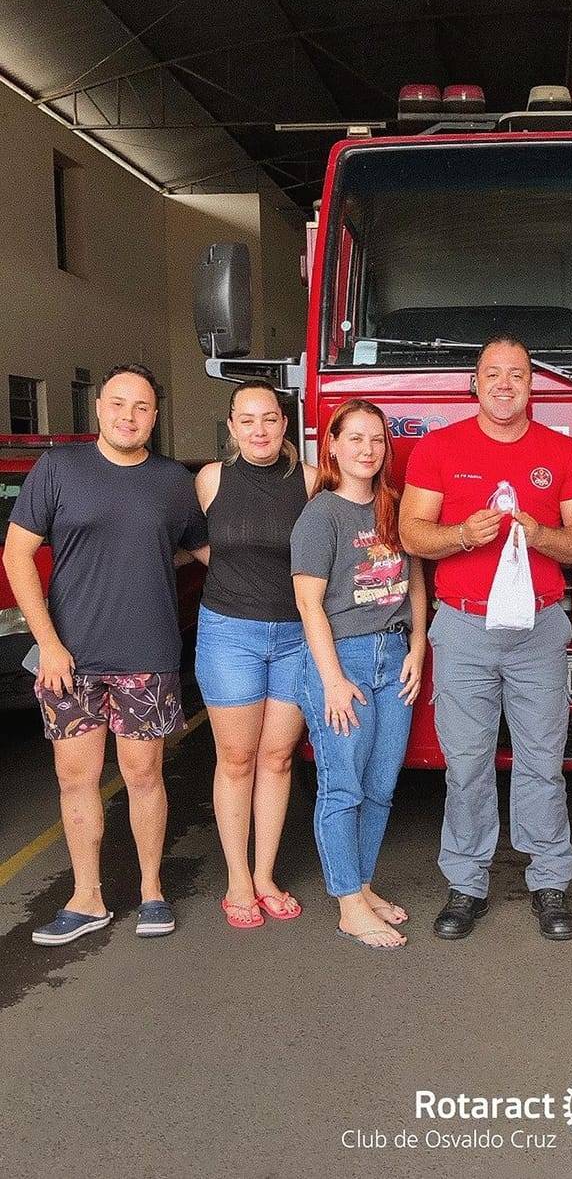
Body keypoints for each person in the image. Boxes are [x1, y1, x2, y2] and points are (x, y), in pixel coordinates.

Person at [399, 335, 572, 942]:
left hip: (539, 626)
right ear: (475, 384)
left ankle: (548, 881)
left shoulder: (562, 453)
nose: (505, 384)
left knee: (543, 760)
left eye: (518, 373)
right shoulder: (440, 448)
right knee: (466, 764)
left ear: (531, 384)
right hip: (462, 625)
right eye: (494, 374)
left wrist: (539, 535)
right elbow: (411, 533)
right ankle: (467, 882)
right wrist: (461, 534)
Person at [3, 364, 207, 945]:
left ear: (155, 416)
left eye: (141, 407)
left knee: (144, 774)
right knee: (77, 779)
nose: (128, 415)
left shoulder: (172, 481)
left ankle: (151, 892)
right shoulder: (60, 469)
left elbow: (203, 550)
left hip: (147, 653)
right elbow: (18, 556)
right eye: (118, 403)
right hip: (70, 658)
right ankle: (86, 897)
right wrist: (47, 643)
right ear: (98, 408)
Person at [292, 399, 426, 949]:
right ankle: (348, 903)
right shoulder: (320, 514)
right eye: (355, 439)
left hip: (394, 659)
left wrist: (417, 647)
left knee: (380, 784)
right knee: (342, 786)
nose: (367, 450)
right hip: (342, 660)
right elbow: (308, 604)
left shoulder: (396, 506)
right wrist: (331, 680)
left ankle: (363, 886)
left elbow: (416, 580)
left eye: (376, 440)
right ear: (333, 446)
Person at [194, 380, 316, 929]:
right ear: (231, 426)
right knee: (237, 760)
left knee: (278, 759)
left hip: (295, 635)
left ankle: (265, 875)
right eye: (247, 420)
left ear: (284, 424)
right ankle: (237, 878)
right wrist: (233, 576)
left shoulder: (312, 482)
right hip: (229, 634)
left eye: (269, 418)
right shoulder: (211, 480)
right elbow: (194, 541)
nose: (259, 430)